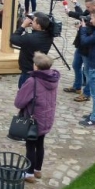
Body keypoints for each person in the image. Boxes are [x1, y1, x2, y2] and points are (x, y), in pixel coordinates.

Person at [14, 52, 59, 182]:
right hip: (47, 117)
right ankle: (37, 170)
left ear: (36, 66)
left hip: (34, 119)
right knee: (40, 144)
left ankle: (29, 174)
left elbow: (19, 102)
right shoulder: (53, 79)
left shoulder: (32, 81)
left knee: (30, 146)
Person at [64, 0, 95, 101]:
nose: (87, 9)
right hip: (81, 45)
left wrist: (83, 28)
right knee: (76, 65)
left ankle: (86, 94)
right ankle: (77, 86)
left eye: (88, 7)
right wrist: (72, 11)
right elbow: (81, 15)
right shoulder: (90, 12)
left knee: (88, 72)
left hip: (89, 48)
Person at [10, 12, 54, 88]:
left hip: (28, 71)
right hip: (38, 69)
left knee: (24, 92)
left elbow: (13, 39)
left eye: (33, 21)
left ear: (38, 26)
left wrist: (23, 26)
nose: (31, 22)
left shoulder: (29, 38)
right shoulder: (49, 36)